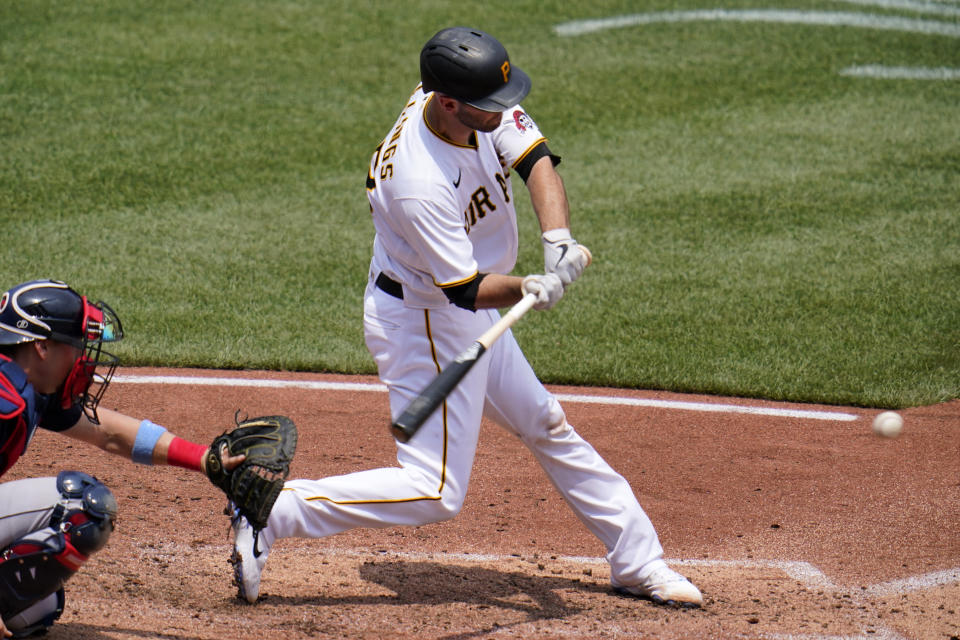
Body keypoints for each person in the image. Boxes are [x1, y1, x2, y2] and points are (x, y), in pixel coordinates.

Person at [229, 26, 702, 608]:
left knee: (546, 422)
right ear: (448, 103)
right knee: (433, 489)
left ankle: (637, 562)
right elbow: (465, 290)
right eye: (491, 106)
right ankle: (270, 510)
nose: (505, 111)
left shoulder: (472, 100)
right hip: (425, 321)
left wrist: (557, 240)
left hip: (464, 311)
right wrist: (531, 285)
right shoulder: (418, 181)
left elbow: (537, 161)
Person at [0, 279, 244, 637]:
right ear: (42, 347)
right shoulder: (5, 402)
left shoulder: (28, 385)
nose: (84, 357)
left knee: (33, 606)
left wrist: (204, 459)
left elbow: (111, 433)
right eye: (76, 345)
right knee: (80, 509)